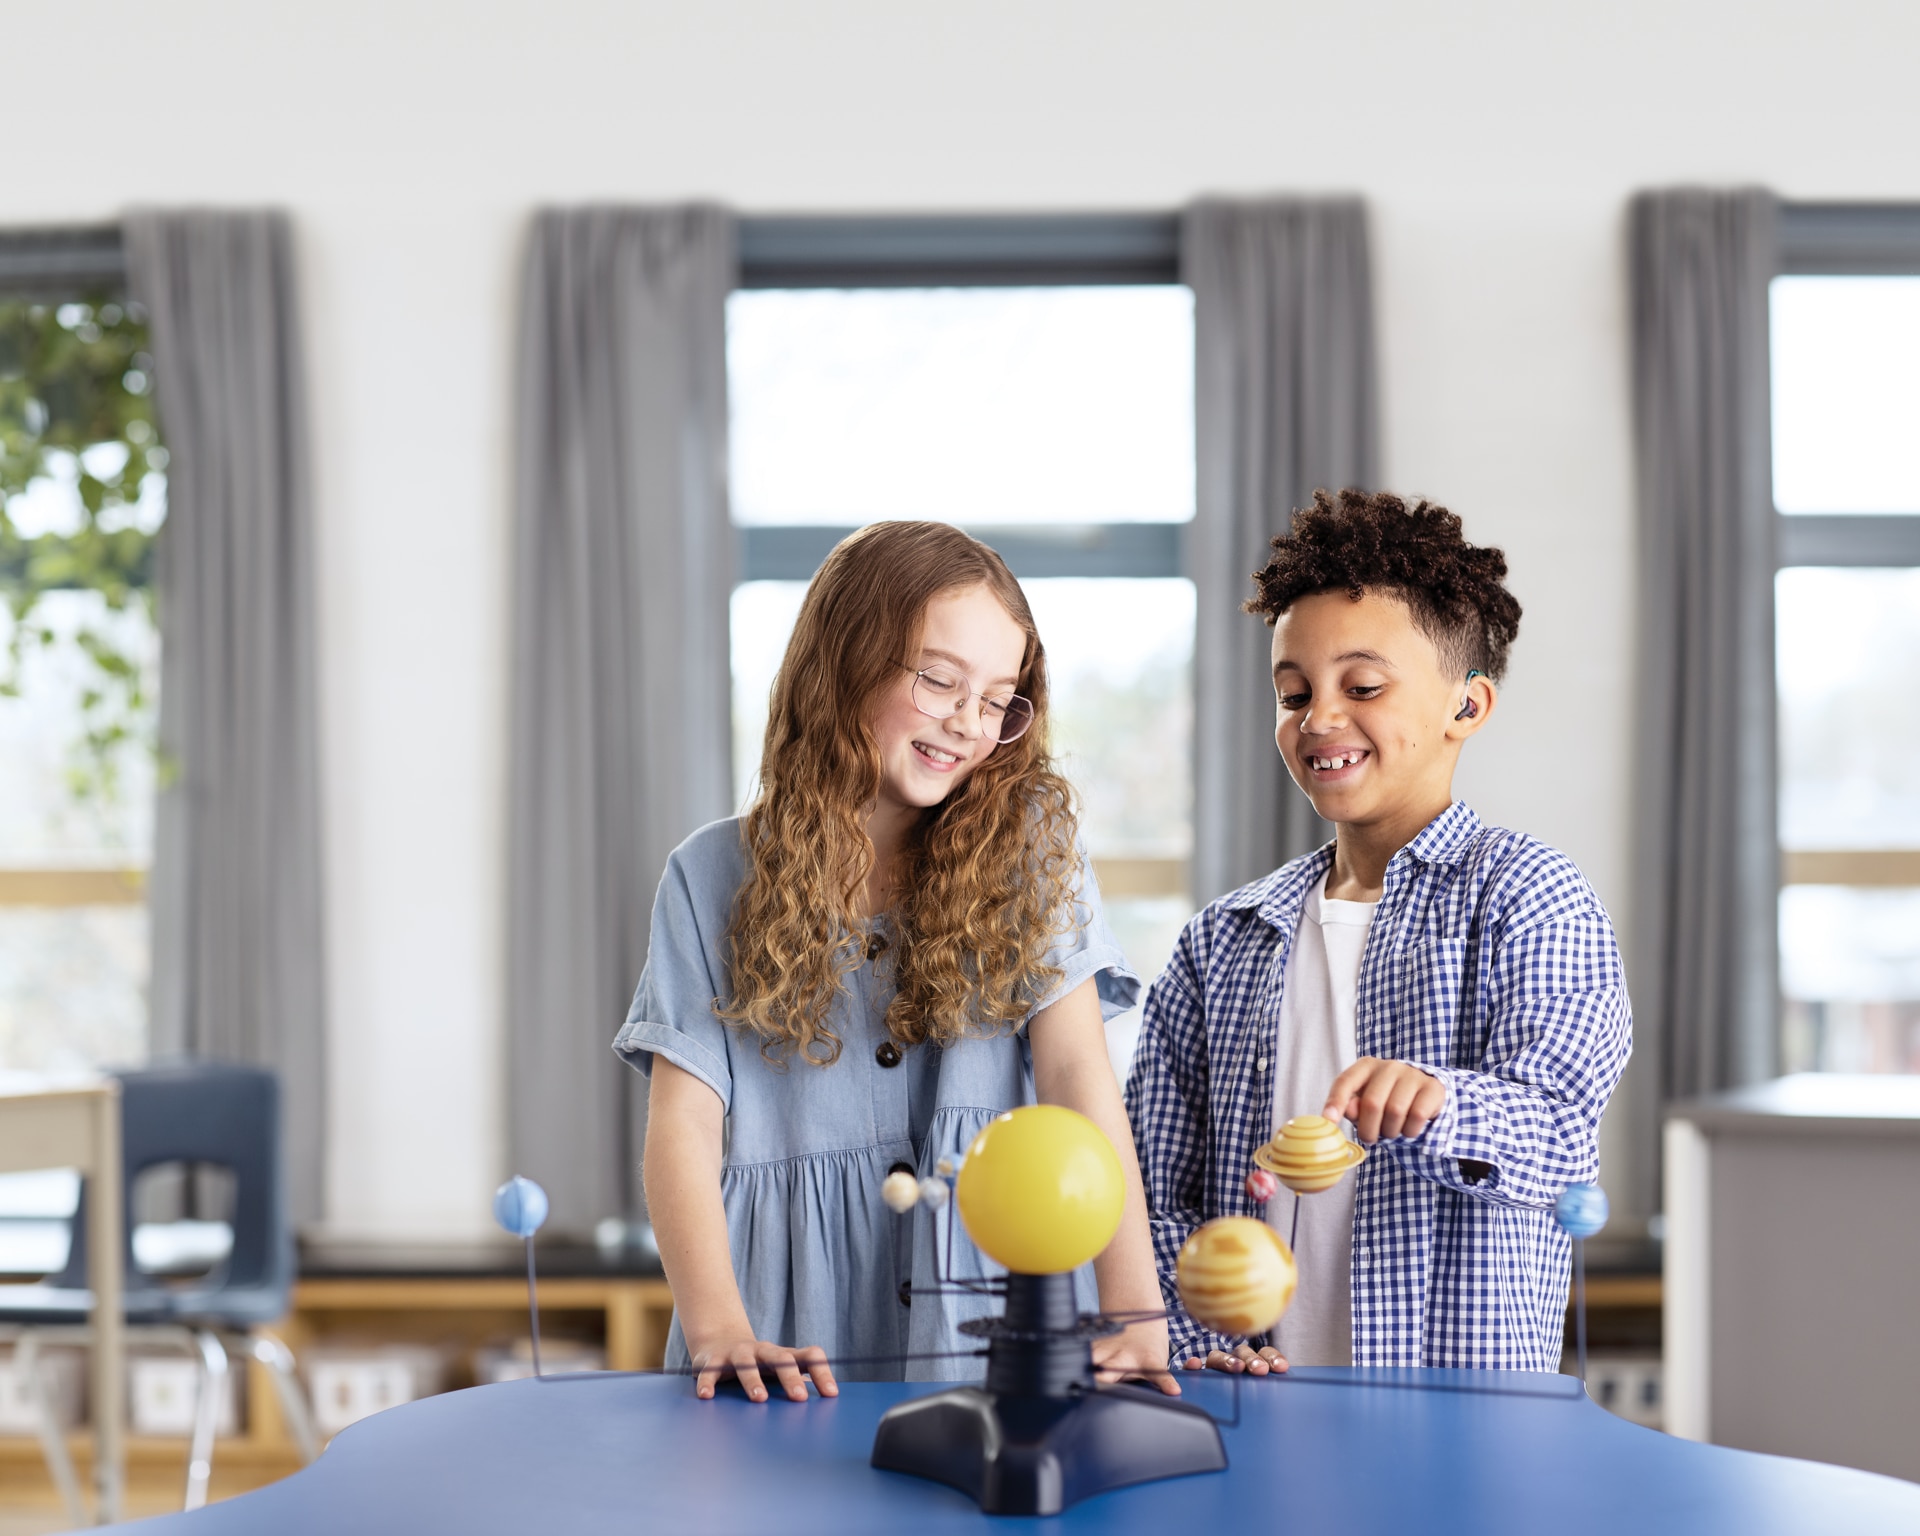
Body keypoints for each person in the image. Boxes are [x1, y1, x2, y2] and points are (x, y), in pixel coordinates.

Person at [617, 520, 1174, 1403]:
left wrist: (1136, 1311)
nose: (966, 720)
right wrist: (721, 1326)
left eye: (998, 699)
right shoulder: (708, 875)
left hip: (989, 1297)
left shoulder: (1032, 856)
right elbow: (683, 1127)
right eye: (939, 679)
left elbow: (1077, 1080)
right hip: (781, 1316)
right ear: (844, 664)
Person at [1127, 488, 1631, 1375]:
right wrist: (1201, 1338)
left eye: (1362, 686)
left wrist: (1441, 1102)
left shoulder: (1530, 895)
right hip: (1252, 1407)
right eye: (1293, 692)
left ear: (1466, 708)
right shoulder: (1221, 941)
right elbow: (1151, 1192)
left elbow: (1561, 1138)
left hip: (1459, 1424)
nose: (1319, 717)